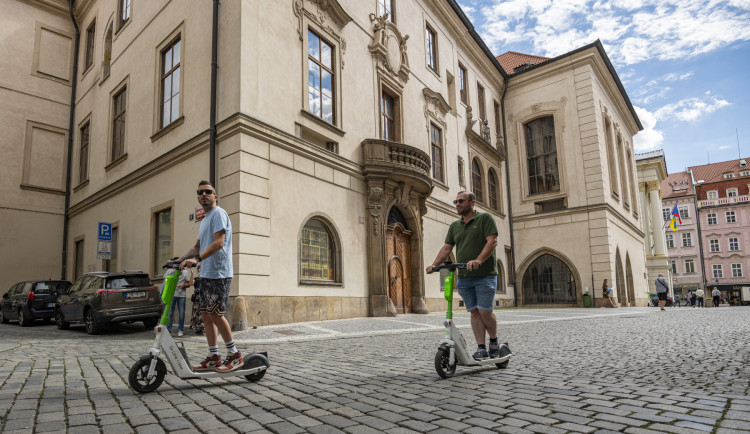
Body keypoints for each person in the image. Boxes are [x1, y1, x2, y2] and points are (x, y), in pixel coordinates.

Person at [426, 191, 510, 360]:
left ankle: (493, 342)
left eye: (461, 201)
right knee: (474, 312)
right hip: (464, 276)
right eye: (455, 201)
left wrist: (478, 260)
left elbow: (492, 241)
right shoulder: (455, 226)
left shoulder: (484, 219)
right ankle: (481, 347)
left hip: (485, 274)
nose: (457, 204)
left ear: (472, 202)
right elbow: (447, 248)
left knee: (485, 311)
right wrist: (435, 264)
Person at [180, 180, 242, 372]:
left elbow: (219, 242)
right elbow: (197, 246)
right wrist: (179, 260)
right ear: (198, 197)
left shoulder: (218, 214)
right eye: (200, 192)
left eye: (208, 191)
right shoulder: (205, 219)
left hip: (219, 272)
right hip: (207, 272)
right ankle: (214, 356)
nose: (204, 194)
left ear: (215, 196)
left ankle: (234, 355)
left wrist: (197, 259)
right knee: (206, 314)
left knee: (216, 313)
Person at [168, 263, 192, 337]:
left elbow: (188, 284)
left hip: (182, 295)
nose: (178, 267)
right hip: (172, 294)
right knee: (170, 313)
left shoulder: (185, 272)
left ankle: (180, 330)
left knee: (181, 313)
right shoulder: (171, 271)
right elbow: (165, 281)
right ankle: (168, 330)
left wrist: (183, 285)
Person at [190, 264, 205, 335]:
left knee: (203, 314)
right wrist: (192, 274)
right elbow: (190, 283)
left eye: (201, 269)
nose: (199, 271)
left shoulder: (206, 279)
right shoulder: (196, 279)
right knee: (196, 314)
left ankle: (203, 329)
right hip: (196, 300)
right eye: (198, 270)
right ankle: (197, 329)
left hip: (204, 299)